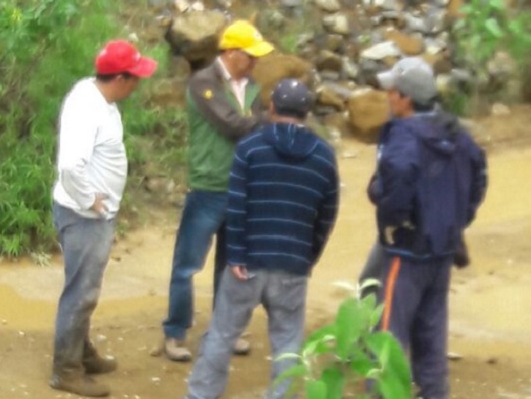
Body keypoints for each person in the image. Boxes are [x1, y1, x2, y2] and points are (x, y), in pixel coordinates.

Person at [184, 78, 340, 399]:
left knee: (222, 334)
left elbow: (237, 205)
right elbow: (327, 214)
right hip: (292, 264)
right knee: (287, 341)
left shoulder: (251, 147)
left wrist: (237, 255)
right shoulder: (324, 157)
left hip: (247, 262)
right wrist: (307, 257)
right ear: (307, 113)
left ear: (271, 108)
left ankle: (199, 395)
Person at [371, 57, 487, 399]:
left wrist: (392, 218)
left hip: (406, 251)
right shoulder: (457, 134)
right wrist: (455, 219)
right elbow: (478, 179)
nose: (388, 96)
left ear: (406, 98)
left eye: (392, 90)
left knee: (388, 337)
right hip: (442, 250)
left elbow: (396, 182)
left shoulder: (404, 137)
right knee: (432, 337)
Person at [50, 40, 157, 397]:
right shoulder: (89, 108)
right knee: (81, 294)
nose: (139, 83)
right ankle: (66, 369)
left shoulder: (97, 98)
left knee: (83, 288)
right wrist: (90, 201)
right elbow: (69, 165)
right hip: (84, 217)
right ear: (121, 78)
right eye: (136, 77)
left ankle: (80, 351)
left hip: (90, 215)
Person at [162, 20, 274, 362]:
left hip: (241, 186)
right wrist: (269, 119)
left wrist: (261, 122)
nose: (255, 62)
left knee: (232, 265)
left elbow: (249, 128)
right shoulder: (203, 83)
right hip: (209, 185)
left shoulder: (249, 85)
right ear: (229, 52)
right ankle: (175, 333)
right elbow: (233, 125)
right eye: (249, 55)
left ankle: (224, 330)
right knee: (187, 265)